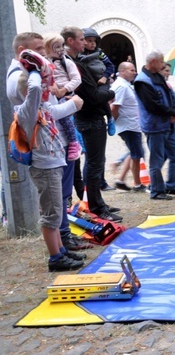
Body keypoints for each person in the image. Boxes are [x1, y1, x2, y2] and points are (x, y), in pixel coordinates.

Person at [15, 50, 85, 271]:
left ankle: (61, 251)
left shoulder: (43, 108)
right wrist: (36, 70)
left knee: (56, 210)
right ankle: (55, 258)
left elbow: (61, 109)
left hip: (53, 165)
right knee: (51, 214)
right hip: (44, 168)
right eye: (45, 85)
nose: (47, 87)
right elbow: (35, 87)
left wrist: (73, 103)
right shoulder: (27, 109)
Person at [62, 26, 121, 222]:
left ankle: (96, 202)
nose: (85, 43)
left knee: (94, 164)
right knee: (95, 165)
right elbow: (93, 96)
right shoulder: (74, 64)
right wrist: (111, 92)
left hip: (90, 117)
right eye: (81, 39)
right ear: (71, 41)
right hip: (89, 118)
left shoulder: (77, 62)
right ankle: (96, 206)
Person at [133, 51, 175, 200]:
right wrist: (171, 113)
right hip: (155, 127)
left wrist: (173, 110)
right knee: (156, 160)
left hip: (166, 124)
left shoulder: (156, 76)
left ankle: (172, 184)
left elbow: (169, 95)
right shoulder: (142, 81)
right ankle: (157, 191)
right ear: (154, 61)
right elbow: (152, 105)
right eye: (161, 62)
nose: (163, 65)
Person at [43, 33, 82, 161]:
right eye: (56, 46)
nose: (60, 49)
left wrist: (65, 89)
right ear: (47, 48)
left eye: (61, 46)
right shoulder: (45, 63)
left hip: (66, 95)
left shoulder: (67, 62)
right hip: (52, 96)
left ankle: (74, 142)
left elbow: (77, 79)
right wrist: (52, 85)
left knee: (65, 118)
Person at [110, 62, 147, 192]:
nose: (134, 72)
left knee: (134, 152)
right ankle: (138, 184)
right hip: (128, 125)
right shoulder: (121, 86)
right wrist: (113, 123)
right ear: (122, 71)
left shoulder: (124, 85)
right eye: (132, 70)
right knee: (137, 154)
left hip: (131, 124)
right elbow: (115, 106)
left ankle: (121, 179)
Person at [81, 28, 116, 136]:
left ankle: (110, 118)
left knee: (102, 97)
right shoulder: (79, 56)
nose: (93, 44)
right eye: (89, 40)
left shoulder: (99, 53)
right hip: (90, 82)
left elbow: (110, 66)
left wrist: (105, 77)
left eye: (94, 41)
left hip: (102, 81)